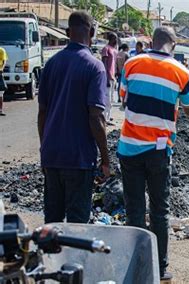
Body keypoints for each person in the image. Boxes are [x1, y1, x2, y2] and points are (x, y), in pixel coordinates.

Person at [118, 27, 189, 281]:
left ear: (152, 41)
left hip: (129, 148)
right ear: (173, 45)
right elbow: (188, 107)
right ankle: (160, 268)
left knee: (134, 209)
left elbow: (123, 97)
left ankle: (136, 265)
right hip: (159, 152)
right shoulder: (182, 72)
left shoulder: (131, 64)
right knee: (160, 211)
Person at [37, 11, 110, 224]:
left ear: (68, 32)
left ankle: (50, 258)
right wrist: (105, 160)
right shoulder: (95, 67)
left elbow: (42, 112)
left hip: (52, 156)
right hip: (78, 159)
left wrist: (45, 149)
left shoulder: (51, 64)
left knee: (52, 225)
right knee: (77, 227)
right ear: (93, 33)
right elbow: (95, 118)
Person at [101, 33, 118, 125]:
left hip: (113, 77)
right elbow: (104, 63)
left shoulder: (114, 50)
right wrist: (106, 77)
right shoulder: (106, 49)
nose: (116, 40)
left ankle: (108, 116)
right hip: (108, 76)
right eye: (115, 38)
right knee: (106, 98)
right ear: (111, 39)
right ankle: (104, 118)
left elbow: (114, 64)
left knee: (111, 98)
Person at [0, 47, 7, 116]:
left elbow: (4, 61)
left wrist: (2, 68)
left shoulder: (1, 50)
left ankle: (1, 110)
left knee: (0, 93)